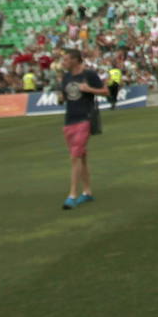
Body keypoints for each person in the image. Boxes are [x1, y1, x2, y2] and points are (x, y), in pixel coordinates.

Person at [61, 49, 106, 210]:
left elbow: (105, 92)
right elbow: (64, 97)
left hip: (85, 118)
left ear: (75, 60)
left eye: (66, 59)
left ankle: (72, 195)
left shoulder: (89, 75)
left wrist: (90, 90)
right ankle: (87, 192)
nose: (63, 62)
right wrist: (61, 97)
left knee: (75, 156)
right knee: (81, 157)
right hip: (69, 119)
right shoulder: (66, 77)